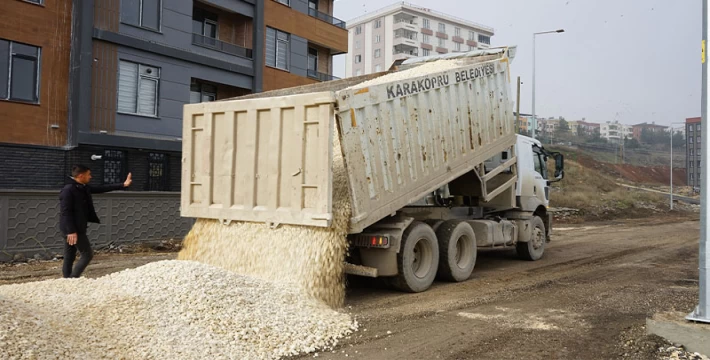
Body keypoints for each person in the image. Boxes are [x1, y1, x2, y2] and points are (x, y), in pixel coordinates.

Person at [59, 165, 132, 278]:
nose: (91, 177)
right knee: (87, 254)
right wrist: (71, 231)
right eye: (89, 175)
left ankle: (67, 279)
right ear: (81, 175)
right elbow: (66, 212)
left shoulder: (83, 187)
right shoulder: (68, 190)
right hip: (73, 229)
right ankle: (73, 279)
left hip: (75, 227)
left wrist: (123, 185)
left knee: (70, 254)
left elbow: (101, 188)